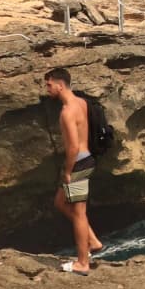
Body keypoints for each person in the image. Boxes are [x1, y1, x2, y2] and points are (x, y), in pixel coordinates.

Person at [45, 67, 104, 273]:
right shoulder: (82, 102)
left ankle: (82, 263)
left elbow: (72, 147)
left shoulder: (67, 112)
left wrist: (68, 172)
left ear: (60, 85)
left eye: (49, 85)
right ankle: (93, 241)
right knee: (60, 202)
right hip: (87, 159)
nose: (47, 89)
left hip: (78, 164)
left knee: (79, 213)